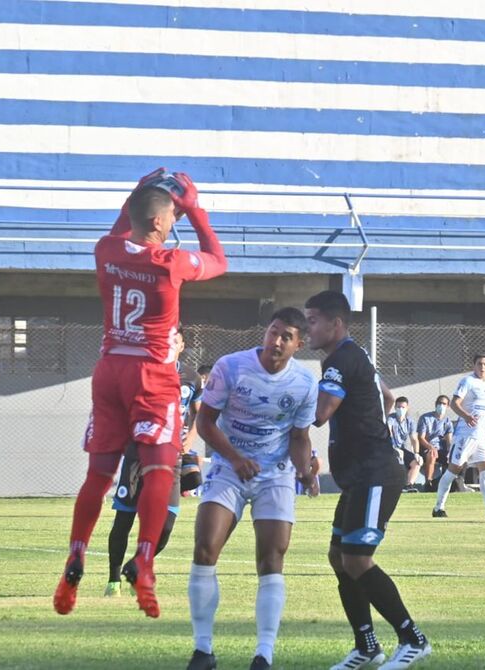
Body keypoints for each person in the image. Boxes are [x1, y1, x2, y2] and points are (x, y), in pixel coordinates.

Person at [53, 169, 227, 618]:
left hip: (109, 369)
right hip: (152, 374)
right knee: (159, 471)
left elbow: (122, 225)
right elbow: (218, 259)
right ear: (157, 223)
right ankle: (145, 559)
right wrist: (194, 208)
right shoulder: (169, 262)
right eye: (171, 217)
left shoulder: (105, 250)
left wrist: (137, 191)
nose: (174, 224)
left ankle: (77, 551)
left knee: (98, 476)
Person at [185, 307, 318, 670]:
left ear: (298, 344)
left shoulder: (305, 383)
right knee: (204, 548)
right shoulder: (230, 367)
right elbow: (206, 421)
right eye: (273, 332)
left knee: (271, 560)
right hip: (229, 468)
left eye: (285, 337)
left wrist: (306, 470)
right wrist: (235, 457)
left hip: (275, 473)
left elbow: (299, 436)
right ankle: (202, 650)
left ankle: (264, 654)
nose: (276, 341)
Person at [305, 291, 431, 670]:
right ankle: (367, 646)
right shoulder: (353, 355)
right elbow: (388, 397)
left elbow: (320, 413)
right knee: (338, 558)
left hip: (375, 474)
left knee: (357, 559)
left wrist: (281, 401)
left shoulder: (340, 359)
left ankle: (413, 638)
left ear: (335, 323)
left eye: (312, 321)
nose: (307, 328)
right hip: (361, 475)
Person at [104, 326, 203, 596]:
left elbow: (200, 414)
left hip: (172, 457)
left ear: (182, 346)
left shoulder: (192, 378)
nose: (171, 345)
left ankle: (135, 565)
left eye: (176, 341)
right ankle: (113, 580)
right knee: (125, 519)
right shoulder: (141, 371)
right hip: (139, 454)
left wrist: (191, 438)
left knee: (166, 524)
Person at [432, 354, 485, 519]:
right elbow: (454, 403)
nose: (482, 367)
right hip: (465, 435)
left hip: (481, 436)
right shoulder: (467, 381)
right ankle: (438, 508)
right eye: (479, 364)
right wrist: (466, 416)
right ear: (474, 366)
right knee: (452, 471)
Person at [417, 395, 453, 492]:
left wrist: (450, 452)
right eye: (439, 403)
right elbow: (420, 438)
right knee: (432, 454)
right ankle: (429, 483)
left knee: (453, 458)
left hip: (441, 448)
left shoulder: (447, 421)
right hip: (426, 447)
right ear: (435, 404)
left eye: (444, 404)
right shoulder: (425, 418)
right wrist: (431, 447)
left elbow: (449, 440)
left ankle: (447, 484)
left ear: (448, 406)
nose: (441, 405)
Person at [387, 397, 421, 493]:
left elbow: (414, 439)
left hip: (402, 449)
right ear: (395, 407)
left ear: (407, 408)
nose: (400, 409)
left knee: (416, 463)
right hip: (390, 448)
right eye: (398, 407)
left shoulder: (410, 421)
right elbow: (389, 434)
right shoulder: (391, 418)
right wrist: (394, 447)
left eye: (403, 407)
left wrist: (417, 453)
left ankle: (409, 486)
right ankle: (396, 486)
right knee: (398, 461)